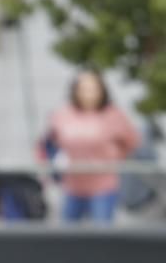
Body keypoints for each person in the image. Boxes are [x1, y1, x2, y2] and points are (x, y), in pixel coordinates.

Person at [40, 69, 139, 223]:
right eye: (84, 89)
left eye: (93, 89)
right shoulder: (62, 115)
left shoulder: (113, 115)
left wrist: (115, 157)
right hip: (72, 185)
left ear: (102, 91)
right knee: (67, 237)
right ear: (75, 91)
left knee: (101, 237)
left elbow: (132, 141)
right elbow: (47, 144)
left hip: (103, 186)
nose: (88, 94)